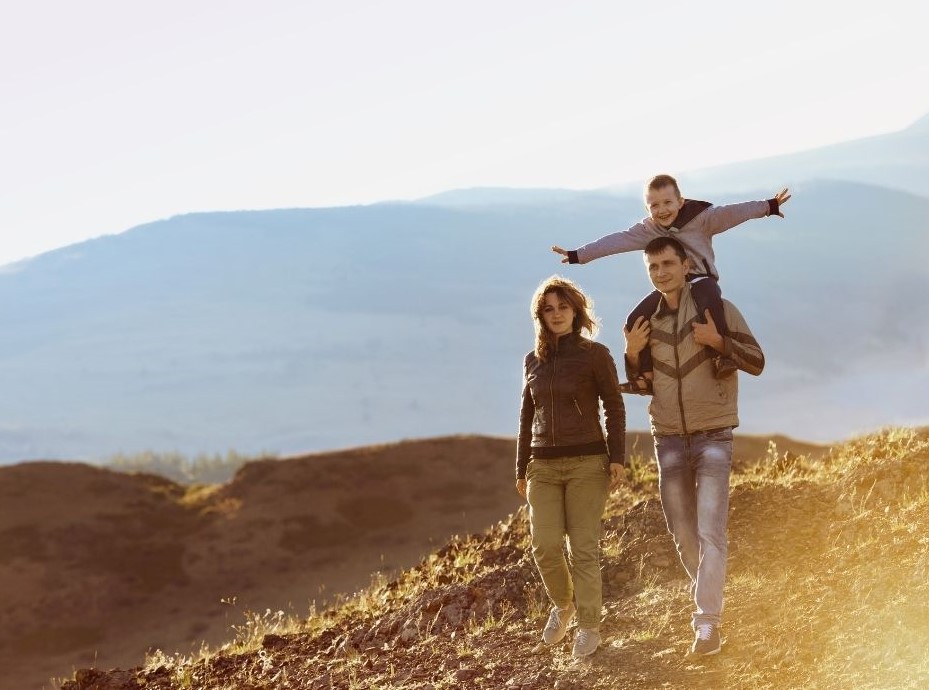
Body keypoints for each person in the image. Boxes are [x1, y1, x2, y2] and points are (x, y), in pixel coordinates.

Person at [622, 236, 764, 656]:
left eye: (668, 263)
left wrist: (717, 341)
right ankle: (709, 593)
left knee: (710, 532)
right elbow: (643, 384)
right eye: (653, 267)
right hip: (666, 438)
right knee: (683, 534)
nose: (661, 272)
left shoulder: (716, 311)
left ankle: (707, 624)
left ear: (686, 266)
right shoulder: (644, 323)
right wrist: (631, 355)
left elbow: (757, 361)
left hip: (714, 434)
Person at [552, 174, 786, 394]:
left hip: (700, 278)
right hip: (669, 288)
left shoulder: (702, 218)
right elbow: (617, 240)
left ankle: (720, 357)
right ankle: (645, 377)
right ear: (647, 208)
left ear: (680, 201)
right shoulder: (648, 230)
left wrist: (768, 206)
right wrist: (579, 255)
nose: (662, 210)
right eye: (654, 205)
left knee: (710, 302)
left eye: (667, 202)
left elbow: (733, 213)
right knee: (635, 319)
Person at [516, 275, 626, 659]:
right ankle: (563, 605)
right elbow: (526, 416)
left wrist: (617, 458)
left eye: (563, 306)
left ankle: (589, 625)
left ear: (576, 310)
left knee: (583, 548)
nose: (557, 314)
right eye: (549, 308)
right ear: (540, 316)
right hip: (542, 466)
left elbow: (614, 406)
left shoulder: (595, 354)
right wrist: (521, 468)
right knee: (544, 546)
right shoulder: (533, 360)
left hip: (587, 463)